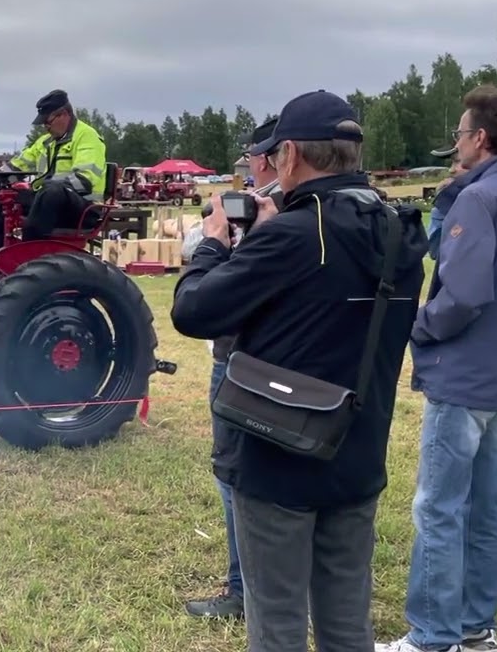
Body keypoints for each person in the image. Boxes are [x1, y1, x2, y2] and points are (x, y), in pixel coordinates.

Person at [170, 89, 428, 651]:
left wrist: (213, 245)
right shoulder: (400, 231)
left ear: (288, 154)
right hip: (358, 449)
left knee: (277, 622)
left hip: (278, 458)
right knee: (347, 620)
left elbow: (193, 312)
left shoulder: (294, 235)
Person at [377, 85, 497, 652]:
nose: (455, 143)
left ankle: (432, 637)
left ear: (479, 138)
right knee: (485, 510)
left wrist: (418, 324)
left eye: (459, 134)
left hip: (462, 378)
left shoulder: (480, 200)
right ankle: (476, 628)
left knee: (439, 509)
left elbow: (464, 294)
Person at [181, 115, 279, 620]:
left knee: (234, 476)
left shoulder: (270, 217)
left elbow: (196, 301)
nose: (250, 167)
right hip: (287, 365)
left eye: (253, 158)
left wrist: (219, 237)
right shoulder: (315, 213)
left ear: (268, 158)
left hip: (240, 360)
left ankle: (244, 589)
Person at [0, 89, 107, 251]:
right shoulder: (45, 142)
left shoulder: (87, 137)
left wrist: (50, 187)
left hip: (83, 208)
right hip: (48, 202)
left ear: (64, 114)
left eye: (48, 122)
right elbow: (17, 167)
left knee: (51, 190)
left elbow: (84, 181)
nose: (46, 127)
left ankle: (29, 250)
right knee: (1, 196)